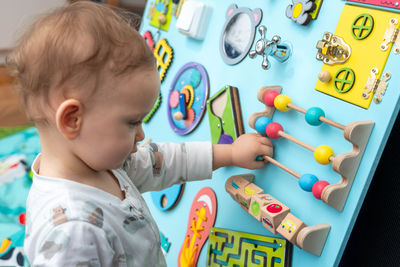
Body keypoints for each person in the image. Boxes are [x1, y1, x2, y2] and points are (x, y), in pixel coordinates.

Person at [6, 1, 273, 266]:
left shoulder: (98, 162)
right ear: (72, 119)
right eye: (132, 122)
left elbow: (163, 162)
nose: (142, 135)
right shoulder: (73, 233)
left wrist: (231, 153)